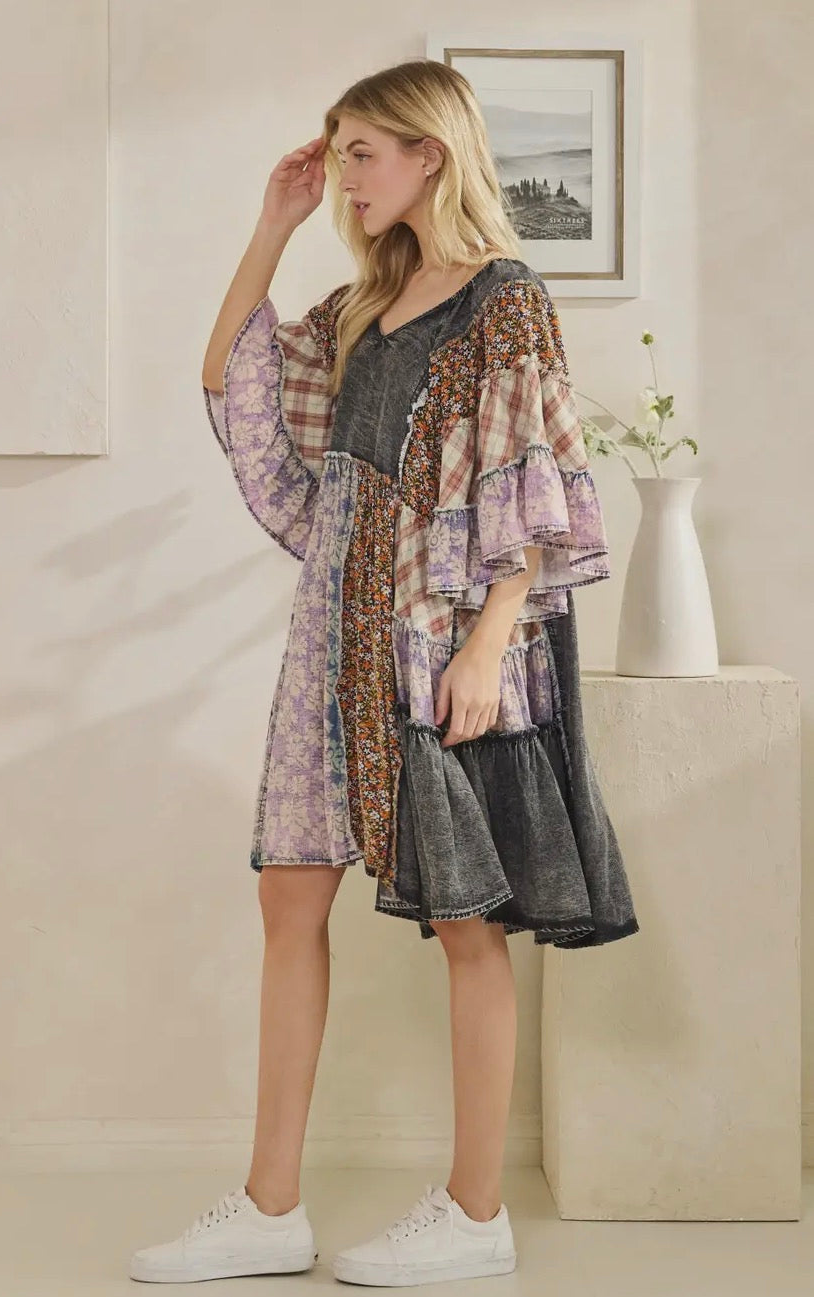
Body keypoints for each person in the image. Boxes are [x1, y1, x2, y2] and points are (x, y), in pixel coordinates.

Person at [129, 58, 639, 1288]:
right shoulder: (372, 300)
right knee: (288, 898)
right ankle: (270, 1206)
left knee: (467, 920)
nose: (347, 174)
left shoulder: (505, 300)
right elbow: (232, 377)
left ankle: (475, 1213)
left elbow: (532, 477)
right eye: (342, 152)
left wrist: (486, 643)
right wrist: (272, 224)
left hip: (436, 639)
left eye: (362, 152)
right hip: (334, 631)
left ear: (430, 154)